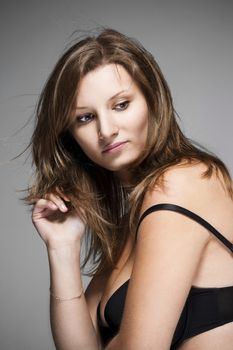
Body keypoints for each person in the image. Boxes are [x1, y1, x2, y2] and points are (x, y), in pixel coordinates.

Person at [28, 28, 233, 349]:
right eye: (84, 118)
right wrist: (62, 249)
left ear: (152, 100)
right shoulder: (131, 222)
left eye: (121, 105)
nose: (106, 130)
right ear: (71, 137)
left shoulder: (183, 183)